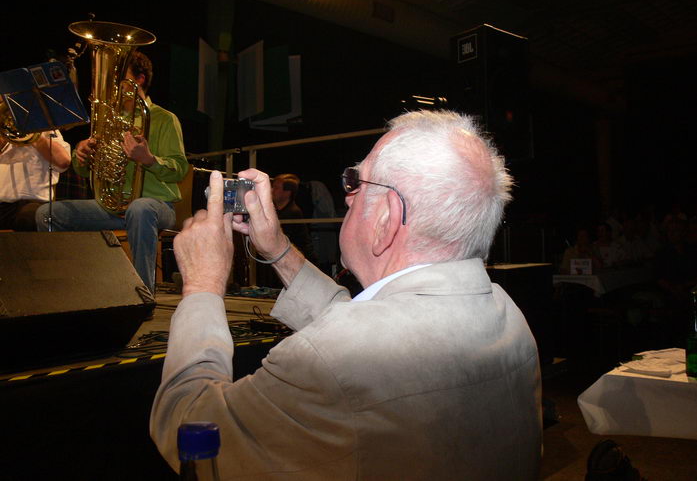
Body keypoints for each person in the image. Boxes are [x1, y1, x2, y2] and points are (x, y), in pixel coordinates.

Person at [150, 110, 542, 480]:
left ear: (387, 219)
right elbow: (373, 325)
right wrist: (279, 250)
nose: (348, 196)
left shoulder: (331, 361)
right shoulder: (508, 315)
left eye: (357, 181)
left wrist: (203, 284)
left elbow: (189, 426)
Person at [35, 51, 189, 294]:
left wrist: (148, 160)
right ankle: (64, 289)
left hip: (157, 206)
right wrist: (82, 155)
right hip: (112, 207)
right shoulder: (106, 119)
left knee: (140, 209)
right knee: (48, 214)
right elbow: (83, 171)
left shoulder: (164, 119)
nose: (109, 86)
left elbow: (179, 170)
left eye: (117, 80)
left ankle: (143, 295)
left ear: (138, 80)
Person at [0, 130, 71, 230]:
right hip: (3, 206)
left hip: (31, 205)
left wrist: (34, 136)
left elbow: (63, 161)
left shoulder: (47, 131)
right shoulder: (5, 133)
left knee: (27, 217)